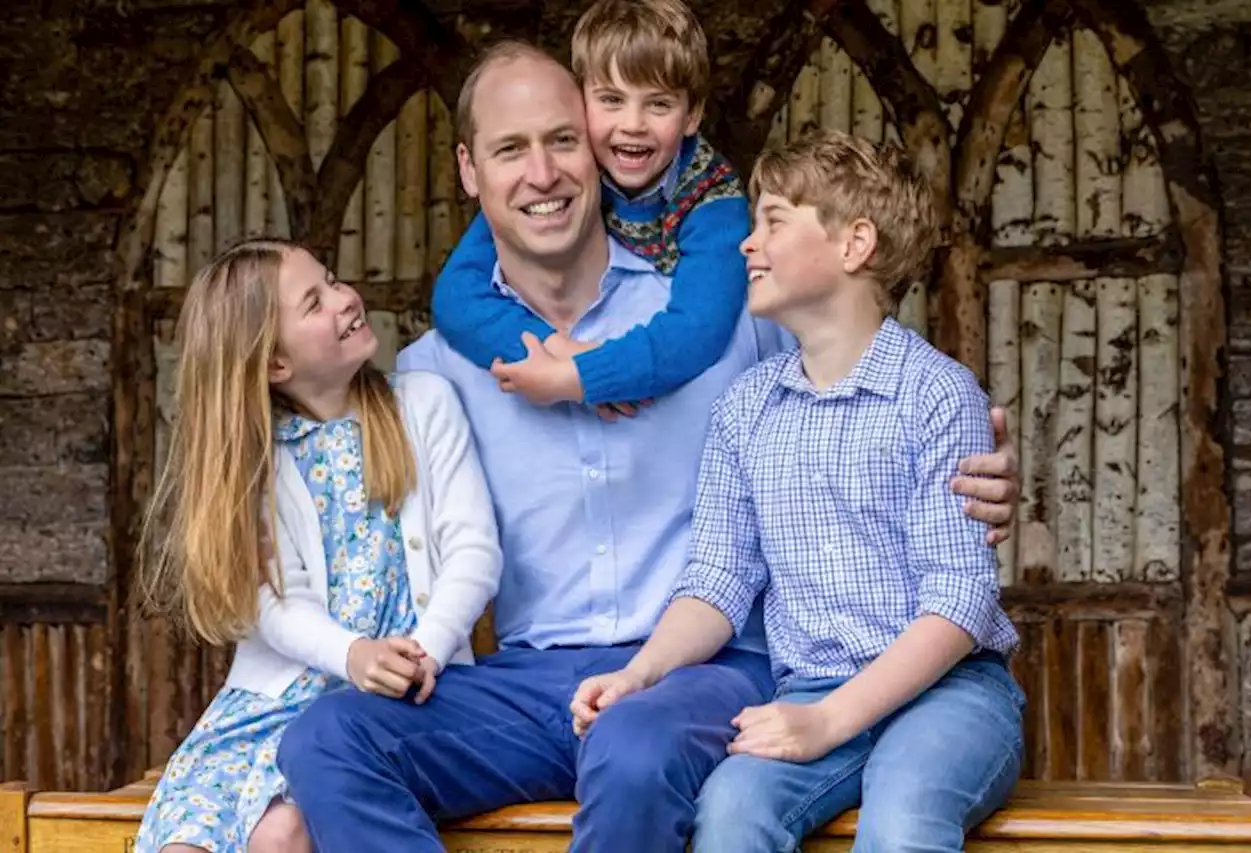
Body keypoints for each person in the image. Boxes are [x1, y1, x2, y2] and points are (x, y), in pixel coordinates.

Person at [276, 44, 1021, 853]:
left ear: (597, 149)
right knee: (330, 737)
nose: (543, 173)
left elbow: (860, 385)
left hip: (708, 672)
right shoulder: (435, 374)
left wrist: (981, 471)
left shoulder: (725, 320)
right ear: (468, 169)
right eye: (509, 150)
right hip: (532, 683)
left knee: (634, 747)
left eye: (563, 141)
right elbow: (319, 519)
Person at [570, 130, 1025, 852]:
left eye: (773, 222)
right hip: (810, 686)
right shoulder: (746, 409)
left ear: (854, 245)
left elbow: (960, 598)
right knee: (729, 812)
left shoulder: (936, 394)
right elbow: (718, 579)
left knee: (902, 819)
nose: (747, 245)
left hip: (952, 693)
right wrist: (637, 672)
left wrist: (831, 721)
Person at [131, 239, 502, 853]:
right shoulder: (258, 461)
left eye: (332, 280)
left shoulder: (423, 405)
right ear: (276, 364)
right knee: (184, 845)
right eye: (315, 301)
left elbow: (473, 552)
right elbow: (276, 604)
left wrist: (428, 650)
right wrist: (351, 652)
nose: (345, 298)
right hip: (269, 705)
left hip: (395, 699)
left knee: (282, 835)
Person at [430, 0, 749, 415]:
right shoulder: (572, 175)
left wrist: (587, 376)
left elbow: (699, 329)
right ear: (581, 101)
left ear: (692, 116)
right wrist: (551, 350)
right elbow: (456, 295)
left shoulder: (713, 201)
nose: (632, 124)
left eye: (658, 104)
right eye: (612, 100)